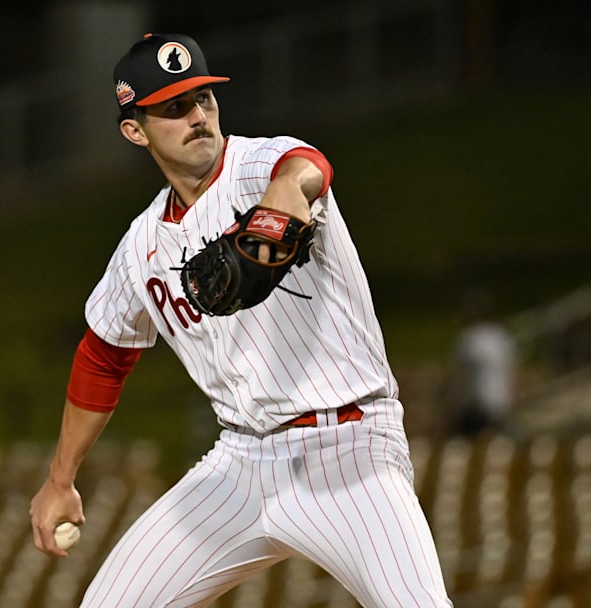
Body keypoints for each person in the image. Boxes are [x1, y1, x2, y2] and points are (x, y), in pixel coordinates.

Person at [29, 33, 452, 607]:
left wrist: (279, 201)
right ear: (135, 130)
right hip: (240, 461)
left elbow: (307, 169)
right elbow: (104, 355)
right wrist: (60, 478)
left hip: (348, 448)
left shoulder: (258, 166)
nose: (197, 116)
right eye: (174, 108)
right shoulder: (140, 248)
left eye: (203, 98)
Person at [446, 288, 517, 437]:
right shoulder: (501, 337)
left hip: (475, 407)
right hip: (499, 404)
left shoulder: (468, 339)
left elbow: (458, 378)